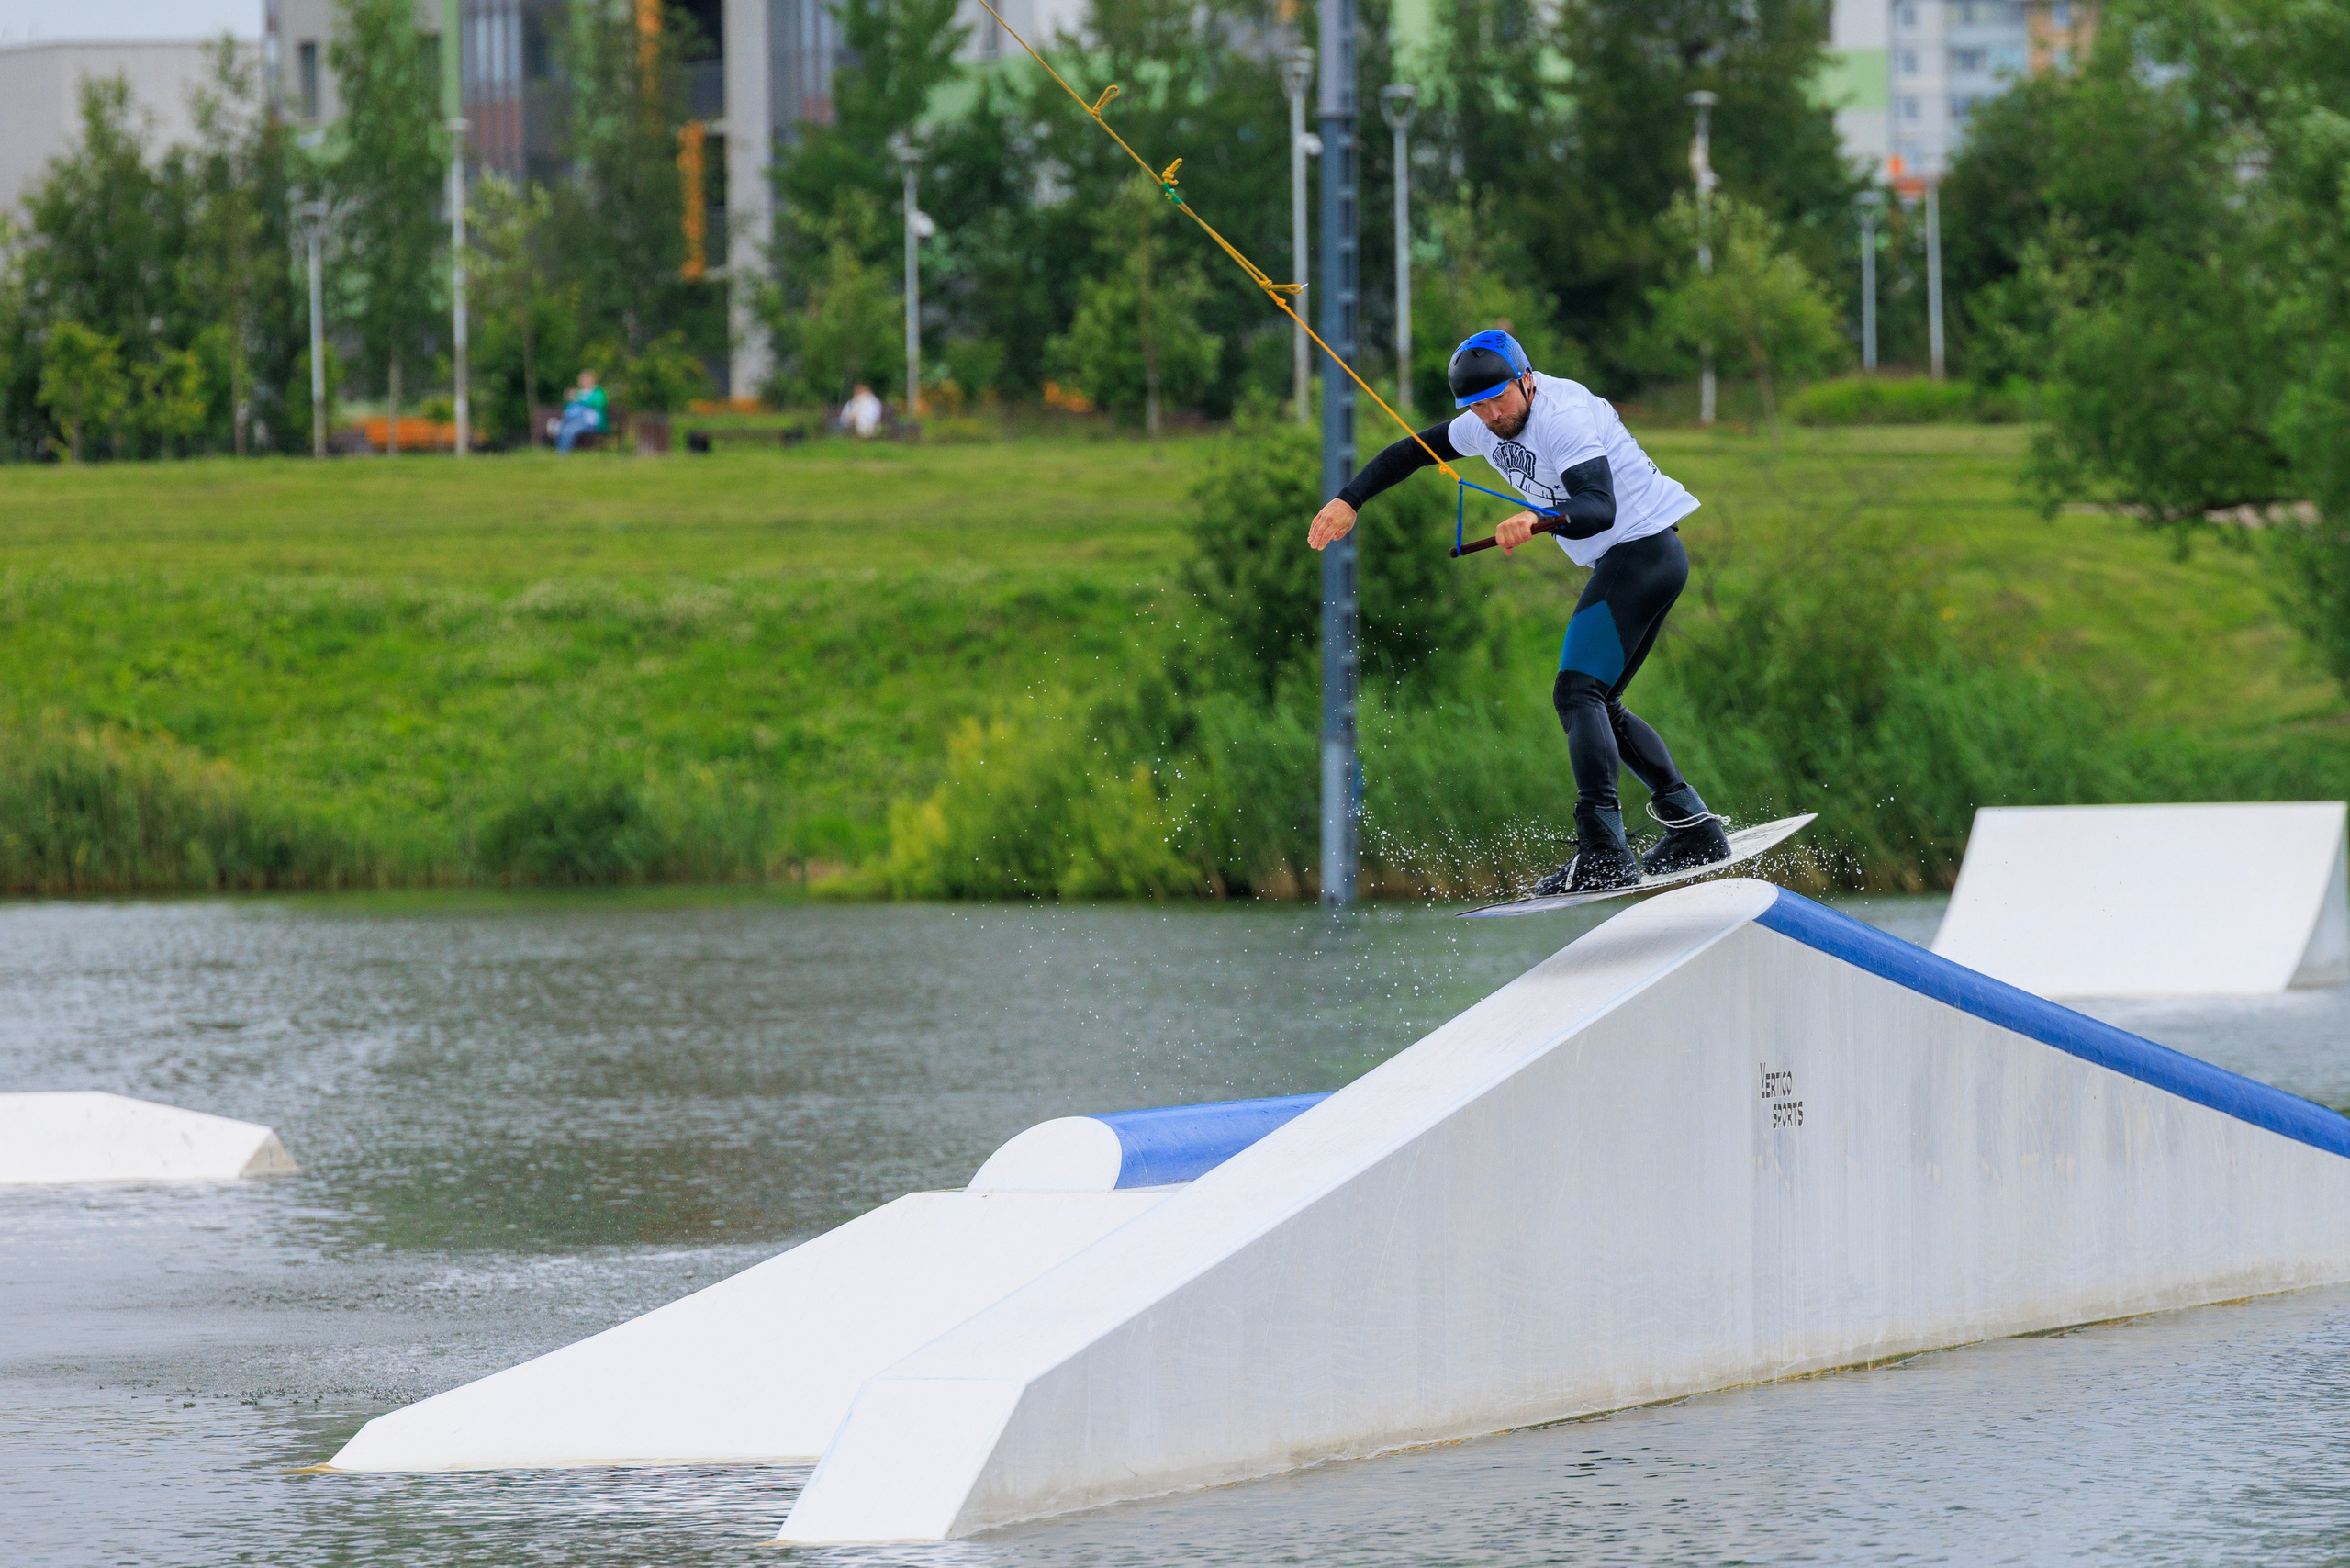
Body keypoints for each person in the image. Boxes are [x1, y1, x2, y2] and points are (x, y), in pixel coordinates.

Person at [1306, 330, 1733, 894]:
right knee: (1599, 701)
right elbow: (1408, 452)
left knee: (1577, 693)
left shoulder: (1564, 415)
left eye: (1498, 399)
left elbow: (1598, 506)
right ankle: (1694, 828)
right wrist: (1349, 500)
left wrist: (1537, 519)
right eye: (1475, 406)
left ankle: (1604, 853)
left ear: (1526, 380)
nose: (1490, 415)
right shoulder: (1485, 423)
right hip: (1639, 560)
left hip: (1642, 552)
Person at [554, 369, 607, 453]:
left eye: (588, 380)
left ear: (593, 380)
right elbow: (568, 407)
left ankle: (562, 453)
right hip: (572, 418)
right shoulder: (579, 392)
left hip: (589, 422)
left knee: (569, 430)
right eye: (584, 380)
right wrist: (568, 397)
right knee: (559, 428)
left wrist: (580, 399)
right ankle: (559, 451)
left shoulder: (598, 392)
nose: (586, 382)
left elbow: (599, 403)